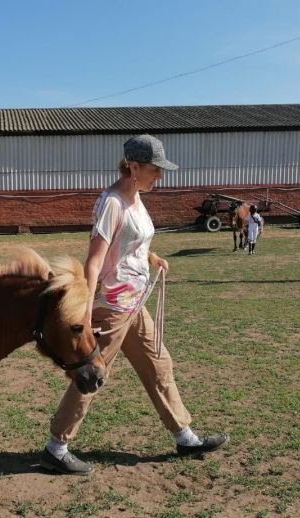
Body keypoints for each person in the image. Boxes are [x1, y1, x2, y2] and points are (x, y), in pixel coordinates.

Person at [39, 134, 228, 474]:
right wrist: (84, 309)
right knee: (92, 375)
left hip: (134, 302)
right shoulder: (112, 203)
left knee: (159, 364)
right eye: (156, 169)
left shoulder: (137, 199)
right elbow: (95, 261)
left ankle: (184, 435)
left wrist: (151, 256)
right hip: (111, 306)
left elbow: (129, 245)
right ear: (134, 166)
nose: (160, 176)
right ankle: (56, 446)